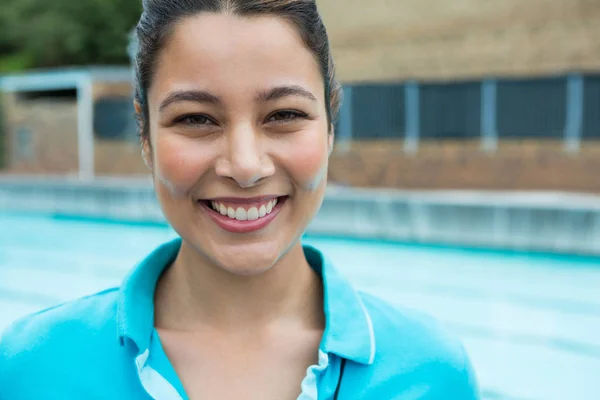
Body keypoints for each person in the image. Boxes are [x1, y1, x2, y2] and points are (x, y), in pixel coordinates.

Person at [0, 0, 480, 398]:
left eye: (284, 114)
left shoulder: (431, 372)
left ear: (331, 126)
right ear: (145, 136)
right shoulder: (29, 368)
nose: (246, 165)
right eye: (195, 119)